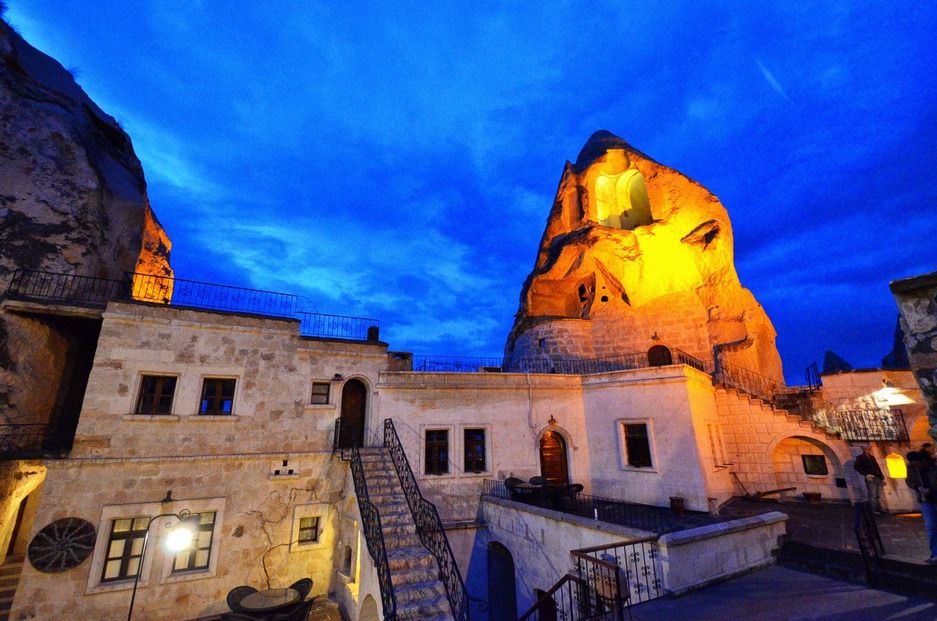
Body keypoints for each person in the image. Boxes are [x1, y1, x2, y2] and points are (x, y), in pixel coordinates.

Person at [907, 444, 937, 564]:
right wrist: (916, 487)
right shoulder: (912, 469)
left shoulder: (933, 467)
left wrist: (932, 490)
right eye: (914, 464)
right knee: (931, 528)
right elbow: (909, 481)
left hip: (935, 497)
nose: (916, 466)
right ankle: (935, 553)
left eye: (918, 464)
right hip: (925, 501)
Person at [853, 445, 886, 514]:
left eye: (869, 449)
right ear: (864, 450)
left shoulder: (872, 457)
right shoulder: (860, 458)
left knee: (879, 494)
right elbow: (856, 467)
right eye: (866, 449)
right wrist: (865, 474)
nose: (868, 451)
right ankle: (873, 509)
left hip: (877, 476)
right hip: (870, 477)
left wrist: (882, 477)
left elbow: (877, 467)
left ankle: (880, 508)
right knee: (872, 494)